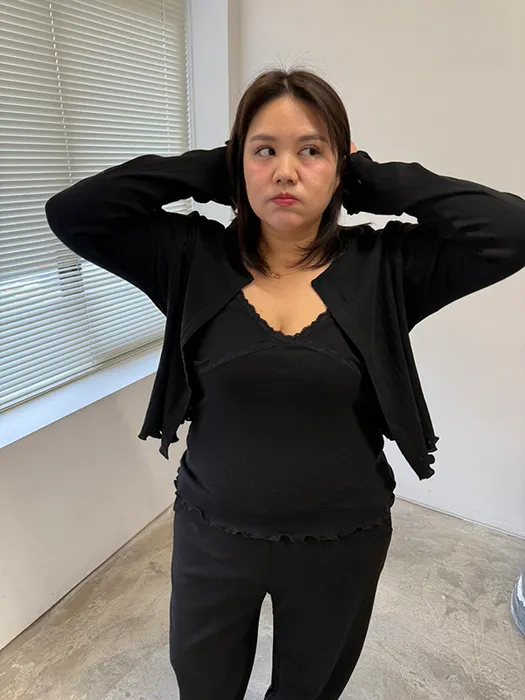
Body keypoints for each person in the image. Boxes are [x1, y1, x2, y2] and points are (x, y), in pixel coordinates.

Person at [45, 68, 525, 700]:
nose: (285, 172)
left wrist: (374, 178)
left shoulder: (385, 266)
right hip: (212, 533)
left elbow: (509, 229)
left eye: (311, 151)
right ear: (237, 164)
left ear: (339, 167)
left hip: (342, 540)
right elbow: (75, 212)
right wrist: (209, 169)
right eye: (264, 151)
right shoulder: (190, 257)